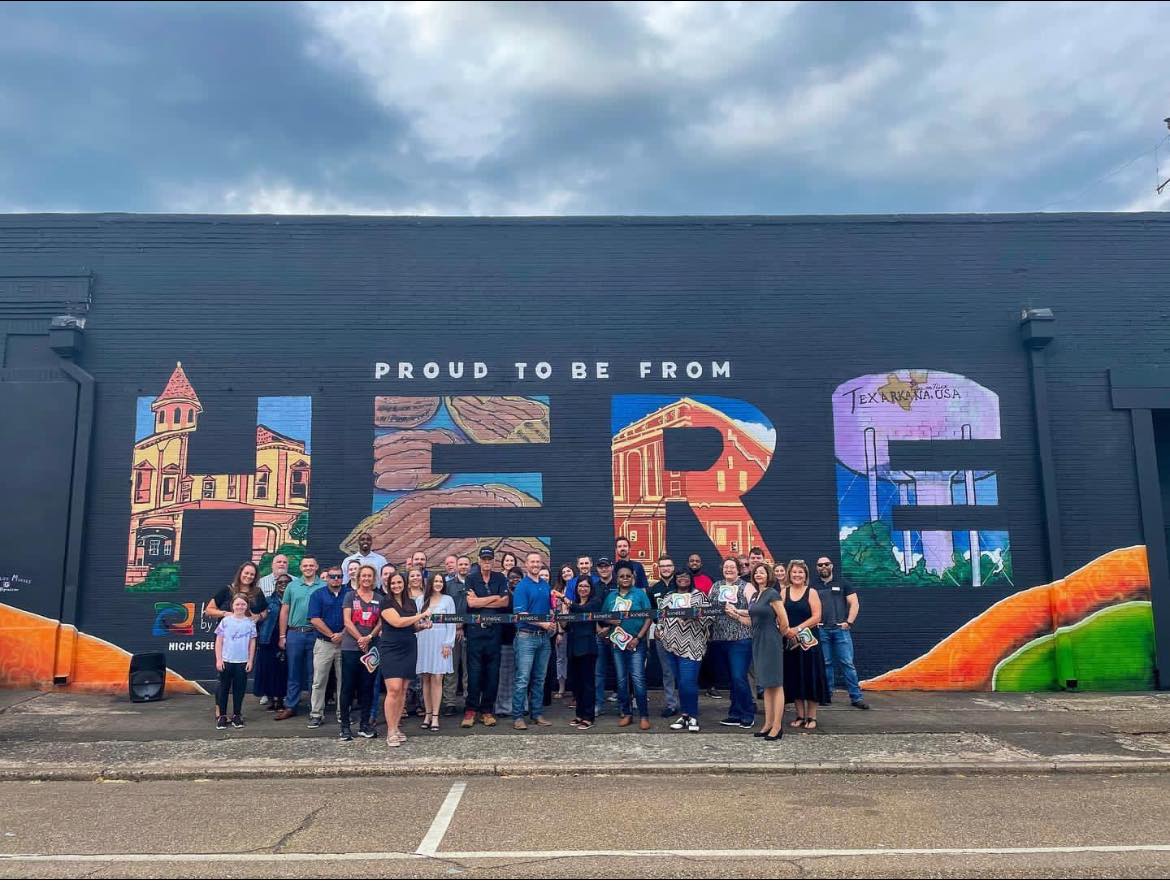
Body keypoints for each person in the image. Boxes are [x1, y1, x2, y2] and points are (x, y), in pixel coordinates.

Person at [379, 572, 432, 748]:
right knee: (393, 689)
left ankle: (397, 728)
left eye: (399, 582)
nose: (396, 585)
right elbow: (398, 622)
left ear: (405, 583)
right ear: (388, 584)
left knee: (403, 690)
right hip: (391, 649)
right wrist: (421, 615)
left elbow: (412, 627)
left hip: (409, 647)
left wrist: (423, 626)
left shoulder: (410, 602)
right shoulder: (385, 602)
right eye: (392, 583)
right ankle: (391, 730)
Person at [655, 569, 711, 732]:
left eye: (686, 577)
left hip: (692, 646)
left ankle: (693, 716)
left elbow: (710, 617)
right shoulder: (669, 596)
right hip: (670, 646)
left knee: (688, 682)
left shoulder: (699, 596)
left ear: (690, 579)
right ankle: (685, 715)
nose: (683, 579)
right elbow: (661, 616)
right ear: (675, 580)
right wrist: (659, 630)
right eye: (679, 577)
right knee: (680, 682)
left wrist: (696, 616)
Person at [599, 564, 653, 730]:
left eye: (628, 576)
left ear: (633, 577)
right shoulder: (611, 596)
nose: (625, 579)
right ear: (617, 578)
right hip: (618, 644)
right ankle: (626, 713)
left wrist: (638, 638)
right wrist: (610, 620)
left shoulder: (639, 594)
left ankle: (644, 715)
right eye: (622, 576)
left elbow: (649, 617)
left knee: (638, 680)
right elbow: (603, 616)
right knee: (621, 681)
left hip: (636, 643)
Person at [739, 563, 789, 740]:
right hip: (758, 640)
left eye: (762, 572)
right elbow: (752, 622)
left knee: (776, 683)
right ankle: (767, 723)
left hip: (771, 641)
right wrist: (736, 615)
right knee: (766, 685)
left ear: (769, 575)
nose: (759, 574)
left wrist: (779, 635)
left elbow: (783, 619)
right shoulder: (754, 595)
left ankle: (777, 726)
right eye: (756, 572)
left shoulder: (772, 593)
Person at [815, 556, 869, 709]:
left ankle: (856, 698)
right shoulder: (813, 585)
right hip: (821, 630)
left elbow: (854, 603)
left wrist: (849, 622)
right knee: (826, 664)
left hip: (840, 630)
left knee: (847, 663)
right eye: (820, 565)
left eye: (826, 564)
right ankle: (827, 695)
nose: (823, 566)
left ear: (831, 566)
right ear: (816, 568)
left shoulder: (843, 583)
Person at [463, 546, 508, 727]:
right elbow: (471, 603)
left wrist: (482, 600)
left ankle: (487, 711)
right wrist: (494, 597)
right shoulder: (471, 578)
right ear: (479, 560)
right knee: (474, 673)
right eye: (484, 559)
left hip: (494, 632)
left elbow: (505, 602)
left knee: (492, 673)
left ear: (493, 561)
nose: (487, 562)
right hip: (475, 631)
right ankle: (471, 710)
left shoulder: (500, 578)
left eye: (490, 559)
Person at [783, 560, 831, 730]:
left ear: (806, 575)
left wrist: (798, 628)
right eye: (794, 572)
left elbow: (817, 616)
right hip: (791, 642)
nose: (797, 575)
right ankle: (800, 715)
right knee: (795, 676)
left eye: (800, 572)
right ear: (789, 574)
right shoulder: (783, 592)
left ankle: (812, 717)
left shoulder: (811, 592)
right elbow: (780, 616)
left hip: (810, 642)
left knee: (811, 675)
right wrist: (787, 630)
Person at [710, 557, 756, 729]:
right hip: (720, 639)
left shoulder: (747, 586)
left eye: (732, 567)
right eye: (726, 567)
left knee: (739, 677)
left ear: (739, 569)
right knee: (732, 679)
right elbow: (709, 608)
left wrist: (736, 612)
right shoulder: (715, 586)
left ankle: (748, 713)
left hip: (741, 639)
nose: (729, 569)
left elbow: (755, 610)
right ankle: (735, 713)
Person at [275, 556, 323, 720]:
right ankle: (291, 706)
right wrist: (282, 635)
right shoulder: (292, 586)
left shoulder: (323, 586)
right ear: (301, 568)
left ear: (316, 567)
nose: (308, 568)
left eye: (311, 565)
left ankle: (314, 708)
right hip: (295, 633)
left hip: (316, 634)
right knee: (293, 672)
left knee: (314, 673)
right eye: (305, 565)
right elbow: (284, 611)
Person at [511, 552, 555, 729]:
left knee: (539, 679)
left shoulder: (545, 585)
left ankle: (536, 714)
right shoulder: (522, 586)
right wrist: (544, 624)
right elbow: (521, 614)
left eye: (538, 562)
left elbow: (549, 609)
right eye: (532, 562)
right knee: (522, 679)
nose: (536, 564)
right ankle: (518, 717)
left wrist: (551, 619)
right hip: (526, 637)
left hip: (544, 639)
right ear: (526, 564)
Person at [339, 564, 383, 741]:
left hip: (371, 650)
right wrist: (360, 639)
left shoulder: (380, 598)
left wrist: (369, 637)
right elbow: (347, 622)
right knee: (348, 688)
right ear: (358, 577)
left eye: (369, 576)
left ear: (374, 579)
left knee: (368, 687)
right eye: (363, 576)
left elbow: (381, 622)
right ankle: (344, 727)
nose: (366, 579)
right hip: (351, 647)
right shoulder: (350, 596)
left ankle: (364, 725)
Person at [306, 563, 347, 729]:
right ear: (327, 578)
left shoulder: (350, 594)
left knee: (344, 681)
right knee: (319, 680)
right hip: (324, 643)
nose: (336, 579)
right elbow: (315, 619)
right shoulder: (317, 595)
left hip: (345, 643)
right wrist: (332, 635)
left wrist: (342, 634)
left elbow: (353, 619)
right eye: (332, 576)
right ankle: (316, 714)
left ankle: (342, 714)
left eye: (339, 576)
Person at [417, 572, 457, 731]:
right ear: (431, 583)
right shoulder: (421, 600)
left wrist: (448, 643)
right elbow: (417, 621)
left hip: (441, 641)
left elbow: (452, 623)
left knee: (438, 677)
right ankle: (427, 714)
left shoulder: (448, 600)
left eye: (441, 581)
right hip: (424, 641)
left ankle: (435, 716)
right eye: (436, 581)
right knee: (425, 678)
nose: (439, 583)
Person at [561, 576, 602, 729]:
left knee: (588, 684)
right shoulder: (574, 605)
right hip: (573, 647)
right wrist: (563, 613)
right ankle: (579, 714)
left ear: (591, 589)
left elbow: (584, 610)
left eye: (586, 586)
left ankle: (589, 717)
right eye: (580, 586)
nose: (583, 589)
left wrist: (568, 602)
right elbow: (565, 627)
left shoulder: (594, 603)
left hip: (588, 648)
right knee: (576, 684)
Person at [214, 594, 257, 729]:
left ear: (247, 606)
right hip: (227, 660)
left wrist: (250, 660)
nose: (240, 607)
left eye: (243, 604)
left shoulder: (250, 623)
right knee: (224, 689)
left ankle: (237, 715)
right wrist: (219, 659)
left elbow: (252, 643)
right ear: (232, 606)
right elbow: (219, 641)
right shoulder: (226, 621)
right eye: (237, 604)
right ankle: (222, 716)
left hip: (242, 662)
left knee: (239, 689)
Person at [647, 555, 680, 719]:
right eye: (662, 566)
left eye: (668, 565)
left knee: (684, 671)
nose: (666, 568)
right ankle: (671, 704)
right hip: (662, 634)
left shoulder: (681, 585)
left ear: (673, 567)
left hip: (682, 634)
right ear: (658, 569)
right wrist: (657, 627)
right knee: (667, 671)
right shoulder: (653, 589)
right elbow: (652, 612)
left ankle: (687, 704)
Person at [254, 572, 291, 712]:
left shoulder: (293, 600)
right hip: (268, 638)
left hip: (287, 637)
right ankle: (271, 698)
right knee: (268, 669)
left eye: (286, 582)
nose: (283, 585)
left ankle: (281, 699)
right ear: (275, 585)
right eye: (280, 583)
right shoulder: (268, 600)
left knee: (283, 670)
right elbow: (259, 618)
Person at [441, 555, 471, 717]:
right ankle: (450, 702)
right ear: (457, 566)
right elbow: (445, 608)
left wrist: (463, 626)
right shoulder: (448, 585)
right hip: (450, 632)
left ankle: (468, 700)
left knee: (468, 669)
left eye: (466, 564)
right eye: (461, 564)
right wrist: (456, 626)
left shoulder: (474, 584)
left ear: (470, 566)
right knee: (450, 668)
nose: (464, 567)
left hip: (470, 631)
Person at [493, 564, 522, 717]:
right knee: (504, 675)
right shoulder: (503, 594)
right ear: (507, 580)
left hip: (524, 638)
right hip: (505, 639)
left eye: (518, 578)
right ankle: (503, 707)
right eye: (512, 578)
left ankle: (521, 705)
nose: (514, 580)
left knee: (521, 675)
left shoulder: (524, 592)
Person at [592, 556, 619, 713]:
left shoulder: (619, 585)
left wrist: (608, 629)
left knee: (621, 671)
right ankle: (598, 705)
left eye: (606, 566)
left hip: (617, 634)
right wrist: (598, 629)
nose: (604, 569)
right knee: (599, 672)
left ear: (611, 567)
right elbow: (590, 610)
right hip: (599, 635)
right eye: (600, 566)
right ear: (597, 569)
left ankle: (623, 706)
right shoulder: (594, 586)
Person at [551, 563, 575, 698]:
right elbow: (557, 611)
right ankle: (561, 688)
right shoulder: (557, 590)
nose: (566, 573)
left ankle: (575, 690)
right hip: (562, 629)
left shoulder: (579, 586)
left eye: (569, 571)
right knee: (560, 658)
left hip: (576, 628)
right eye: (563, 572)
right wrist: (560, 632)